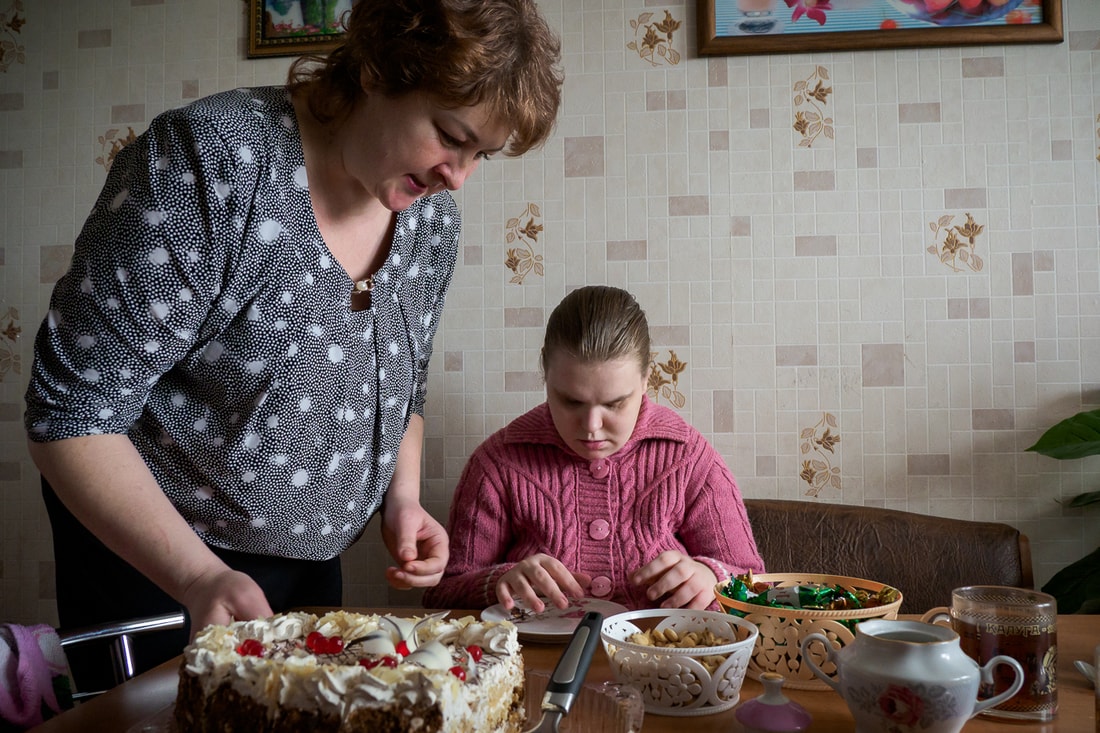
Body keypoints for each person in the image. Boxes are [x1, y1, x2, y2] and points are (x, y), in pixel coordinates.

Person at [23, 0, 562, 690]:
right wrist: (197, 575)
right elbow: (70, 415)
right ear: (379, 70)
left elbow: (406, 385)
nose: (458, 175)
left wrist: (401, 499)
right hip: (159, 572)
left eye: (480, 155)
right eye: (450, 136)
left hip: (310, 578)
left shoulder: (431, 222)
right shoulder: (211, 161)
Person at [423, 286, 764, 614]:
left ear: (646, 379)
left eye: (615, 404)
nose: (591, 426)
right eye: (571, 402)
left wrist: (713, 578)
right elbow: (442, 594)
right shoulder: (498, 463)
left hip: (658, 652)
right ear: (546, 375)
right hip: (535, 653)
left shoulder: (689, 459)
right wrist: (498, 582)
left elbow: (756, 585)